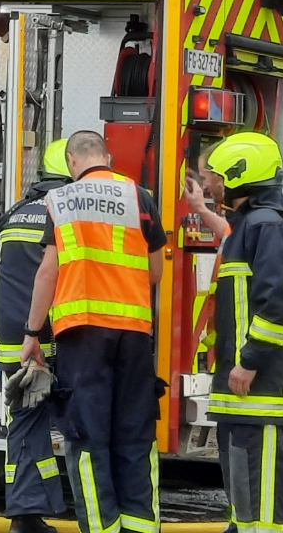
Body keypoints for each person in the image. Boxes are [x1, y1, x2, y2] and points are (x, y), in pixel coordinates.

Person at [21, 130, 168, 533]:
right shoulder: (140, 196)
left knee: (87, 439)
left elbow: (48, 272)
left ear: (71, 161)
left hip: (81, 335)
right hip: (134, 335)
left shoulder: (61, 201)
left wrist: (33, 333)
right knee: (135, 437)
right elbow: (155, 272)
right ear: (108, 157)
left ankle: (102, 528)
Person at [185, 132, 283, 533]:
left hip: (258, 378)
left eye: (214, 175)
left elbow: (278, 300)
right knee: (243, 480)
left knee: (261, 477)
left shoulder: (266, 227)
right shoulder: (250, 225)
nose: (211, 182)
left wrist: (250, 361)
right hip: (241, 381)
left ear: (239, 175)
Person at [0, 139, 71, 533]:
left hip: (14, 345)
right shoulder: (68, 217)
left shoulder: (14, 215)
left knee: (24, 426)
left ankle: (25, 518)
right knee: (83, 425)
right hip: (53, 340)